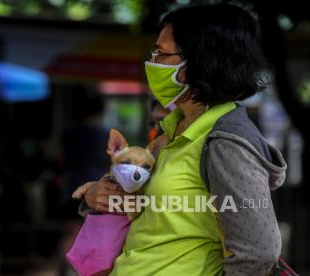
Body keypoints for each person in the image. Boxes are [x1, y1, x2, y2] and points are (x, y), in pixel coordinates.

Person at [81, 4, 286, 275]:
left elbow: (258, 253)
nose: (152, 62)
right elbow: (157, 212)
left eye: (161, 53)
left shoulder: (225, 142)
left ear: (198, 62)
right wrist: (98, 195)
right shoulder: (173, 129)